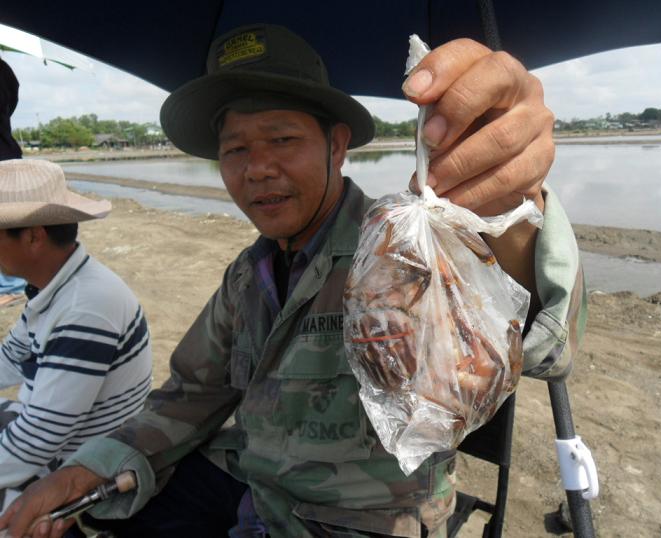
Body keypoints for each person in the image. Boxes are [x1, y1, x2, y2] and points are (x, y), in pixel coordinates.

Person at [0, 24, 585, 538]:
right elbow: (192, 393)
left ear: (336, 147)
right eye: (235, 149)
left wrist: (515, 206)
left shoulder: (403, 252)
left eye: (282, 140)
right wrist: (88, 467)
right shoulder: (246, 277)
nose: (257, 168)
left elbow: (538, 338)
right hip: (252, 490)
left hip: (363, 520)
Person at [0, 159, 153, 515]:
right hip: (47, 431)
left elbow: (37, 441)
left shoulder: (86, 307)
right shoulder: (54, 285)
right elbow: (10, 357)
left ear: (34, 235)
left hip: (80, 462)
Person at [0, 57, 27, 303]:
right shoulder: (5, 69)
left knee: (7, 223)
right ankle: (11, 284)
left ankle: (11, 287)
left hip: (3, 156)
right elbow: (13, 102)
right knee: (10, 221)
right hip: (7, 151)